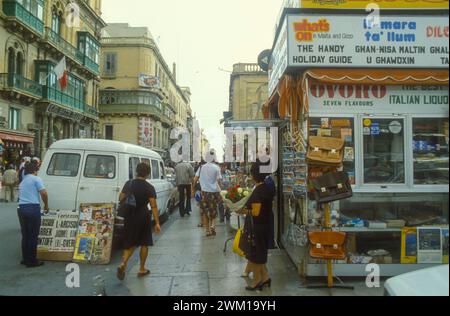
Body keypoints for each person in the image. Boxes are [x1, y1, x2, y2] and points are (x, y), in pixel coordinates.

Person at [117, 163, 161, 281]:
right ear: (148, 173)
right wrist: (157, 222)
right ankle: (141, 269)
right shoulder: (149, 187)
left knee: (130, 241)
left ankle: (123, 263)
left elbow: (120, 198)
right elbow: (154, 206)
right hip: (143, 216)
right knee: (144, 242)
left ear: (136, 171)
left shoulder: (129, 183)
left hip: (129, 216)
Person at [240, 162, 275, 291]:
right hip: (264, 225)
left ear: (255, 174)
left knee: (255, 256)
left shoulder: (259, 191)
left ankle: (256, 281)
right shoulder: (266, 187)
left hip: (258, 227)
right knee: (259, 254)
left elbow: (255, 212)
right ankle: (265, 278)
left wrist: (241, 210)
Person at [18, 161, 49, 268]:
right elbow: (44, 193)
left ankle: (25, 258)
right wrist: (46, 205)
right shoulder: (36, 179)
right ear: (35, 170)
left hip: (21, 209)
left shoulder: (23, 181)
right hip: (32, 208)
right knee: (33, 235)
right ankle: (32, 261)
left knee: (25, 235)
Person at [192, 152, 222, 237]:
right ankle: (213, 227)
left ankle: (207, 230)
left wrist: (193, 189)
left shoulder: (201, 168)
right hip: (214, 192)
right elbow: (219, 181)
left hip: (204, 193)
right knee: (213, 210)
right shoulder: (216, 168)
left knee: (205, 211)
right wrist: (221, 191)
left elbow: (195, 179)